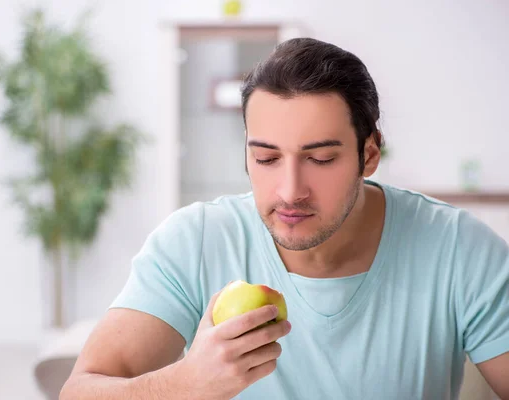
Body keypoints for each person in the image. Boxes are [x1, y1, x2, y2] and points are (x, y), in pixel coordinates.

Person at [60, 38, 509, 399]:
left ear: (368, 154)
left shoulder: (458, 248)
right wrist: (186, 385)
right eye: (267, 158)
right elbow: (81, 391)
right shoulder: (194, 241)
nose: (290, 190)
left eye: (321, 158)